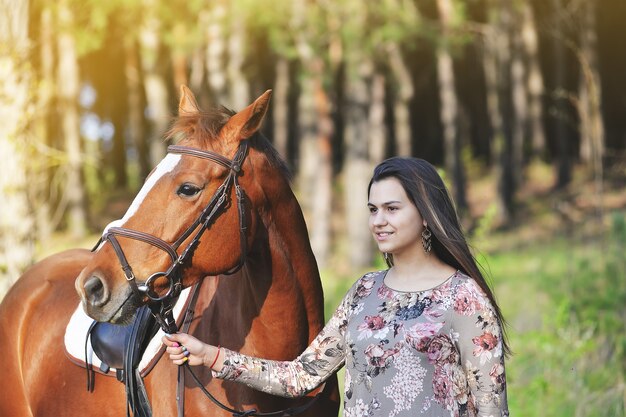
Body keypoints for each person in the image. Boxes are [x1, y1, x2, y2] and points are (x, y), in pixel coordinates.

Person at [163, 157, 509, 417]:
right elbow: (302, 376)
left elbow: (492, 409)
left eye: (392, 208)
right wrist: (211, 355)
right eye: (373, 209)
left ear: (425, 214)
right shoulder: (365, 291)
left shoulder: (464, 298)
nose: (378, 221)